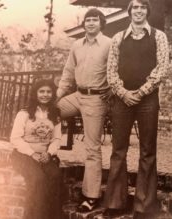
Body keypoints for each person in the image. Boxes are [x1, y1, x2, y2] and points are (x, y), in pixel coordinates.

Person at [103, 0, 169, 218]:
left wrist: (141, 92)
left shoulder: (158, 36)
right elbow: (111, 70)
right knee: (118, 149)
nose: (139, 11)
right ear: (130, 11)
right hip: (122, 99)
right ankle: (115, 202)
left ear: (147, 11)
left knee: (147, 150)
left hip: (148, 100)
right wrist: (124, 93)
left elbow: (162, 68)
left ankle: (144, 206)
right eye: (135, 7)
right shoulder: (118, 38)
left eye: (143, 7)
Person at [56, 8, 112, 212]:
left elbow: (117, 70)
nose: (90, 23)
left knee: (92, 148)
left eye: (95, 20)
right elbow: (68, 72)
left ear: (101, 23)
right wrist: (58, 96)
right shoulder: (76, 45)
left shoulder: (109, 43)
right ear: (84, 24)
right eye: (87, 20)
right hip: (77, 95)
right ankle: (47, 158)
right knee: (47, 114)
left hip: (96, 98)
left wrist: (113, 89)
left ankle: (91, 196)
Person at [10, 79, 62, 219]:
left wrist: (49, 153)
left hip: (44, 156)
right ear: (35, 93)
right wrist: (32, 153)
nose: (45, 95)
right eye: (41, 91)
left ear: (53, 94)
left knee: (55, 176)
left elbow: (56, 139)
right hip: (23, 156)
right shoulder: (24, 113)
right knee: (38, 179)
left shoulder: (55, 115)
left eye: (49, 91)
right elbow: (15, 138)